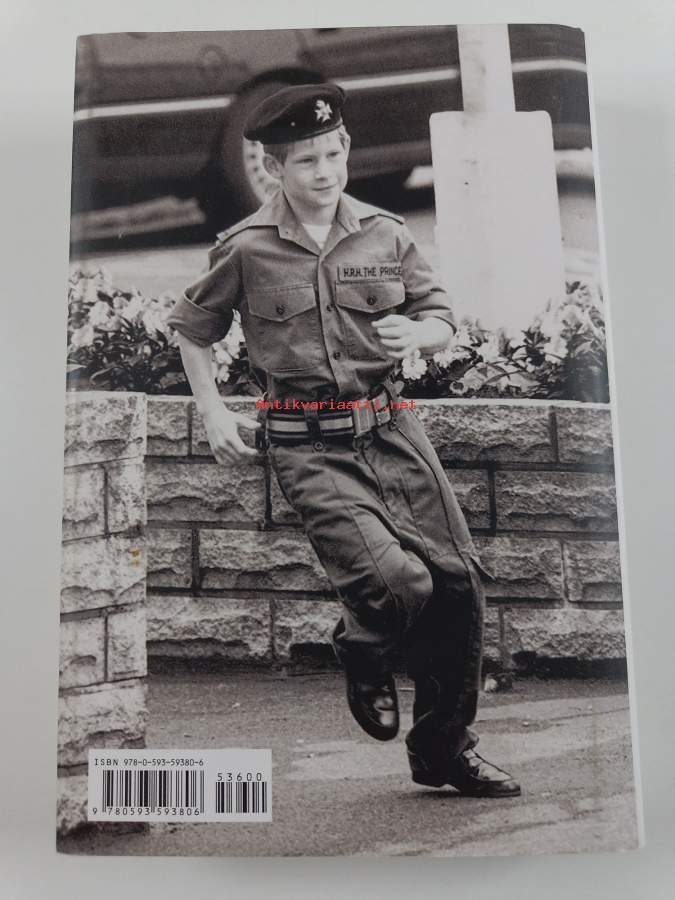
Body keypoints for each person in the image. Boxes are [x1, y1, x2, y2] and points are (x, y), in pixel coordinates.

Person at [167, 83, 520, 797]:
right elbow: (191, 328)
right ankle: (362, 649)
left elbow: (438, 311)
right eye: (305, 161)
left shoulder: (385, 233)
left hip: (393, 431)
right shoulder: (246, 247)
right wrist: (213, 412)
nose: (324, 172)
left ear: (347, 148)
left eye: (333, 154)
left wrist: (421, 332)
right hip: (309, 446)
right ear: (273, 168)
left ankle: (443, 750)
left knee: (456, 585)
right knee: (395, 584)